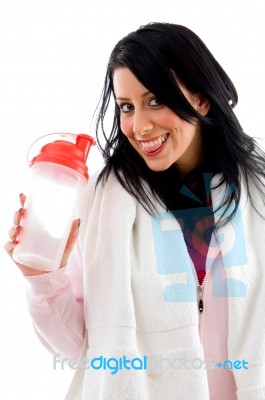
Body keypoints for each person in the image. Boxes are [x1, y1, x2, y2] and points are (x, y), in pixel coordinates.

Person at [4, 22, 265, 400]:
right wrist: (43, 277)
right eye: (127, 107)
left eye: (155, 101)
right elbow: (78, 351)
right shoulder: (103, 201)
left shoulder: (257, 195)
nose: (139, 126)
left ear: (202, 99)